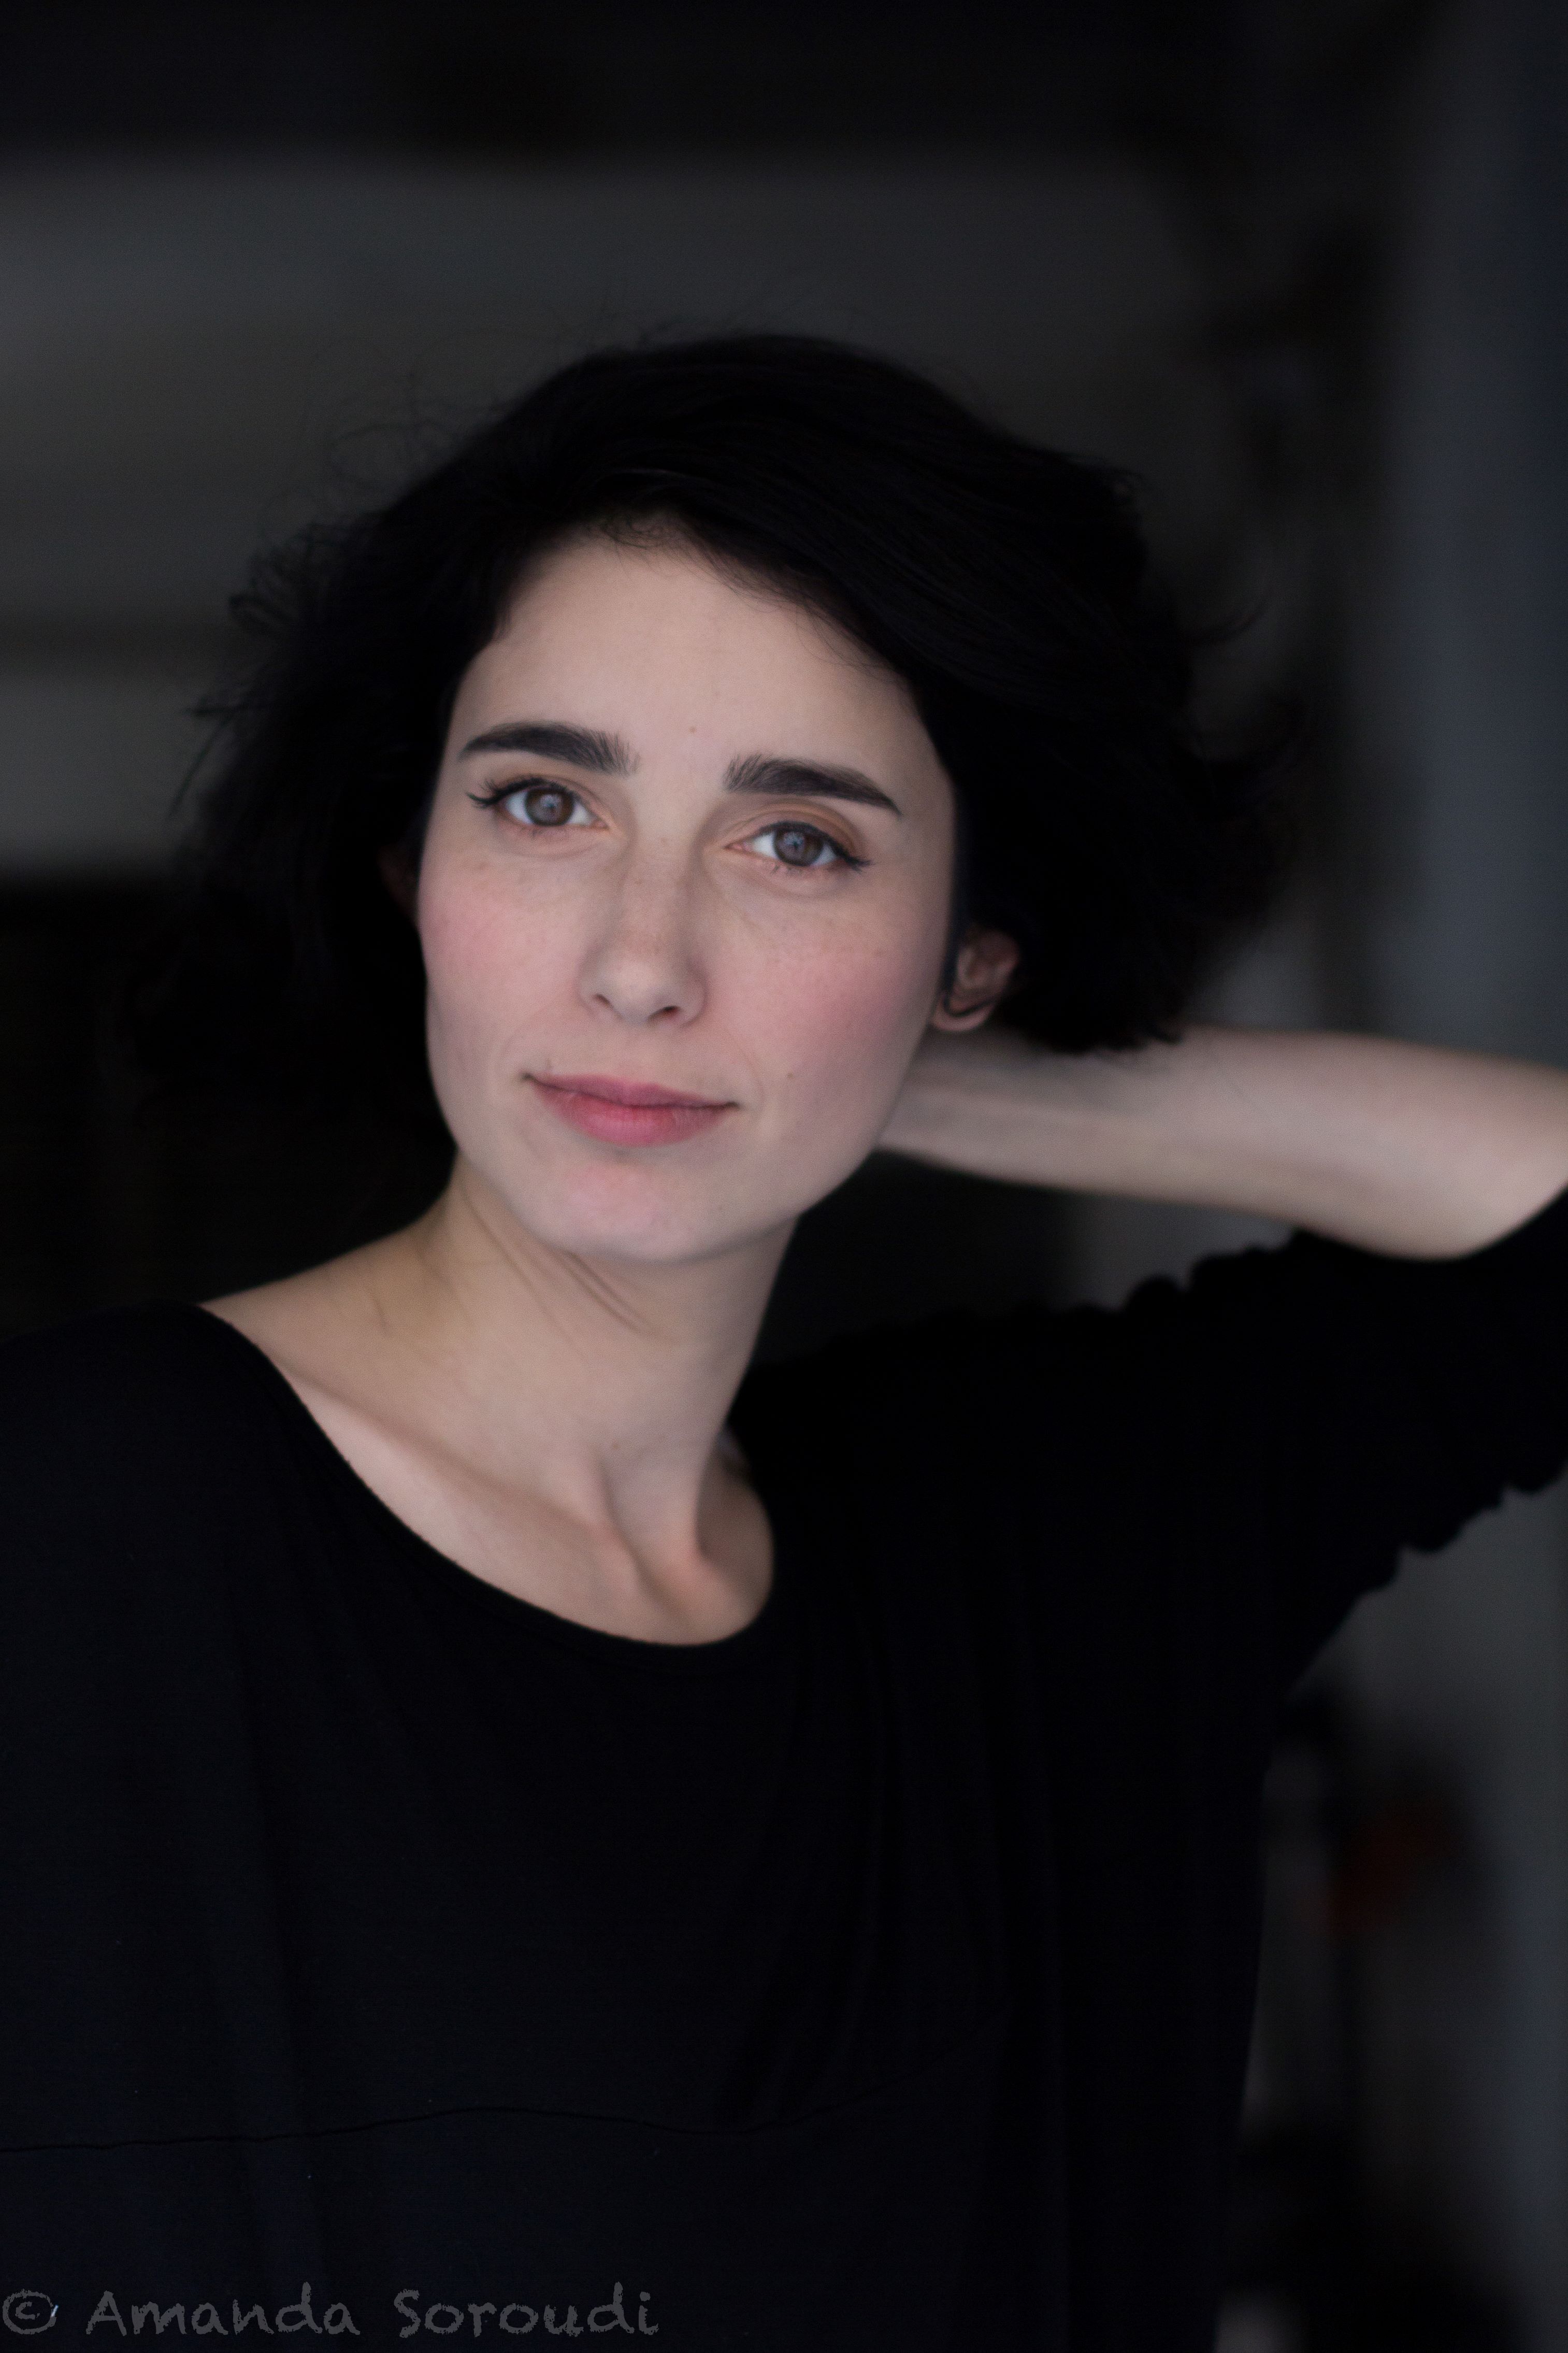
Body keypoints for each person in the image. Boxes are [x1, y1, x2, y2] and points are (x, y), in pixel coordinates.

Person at [4, 336, 1567, 2353]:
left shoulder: (1030, 1559)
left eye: (799, 842)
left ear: (973, 947)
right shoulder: (86, 1520)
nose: (641, 961)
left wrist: (975, 1065)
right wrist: (843, 1022)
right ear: (414, 873)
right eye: (543, 804)